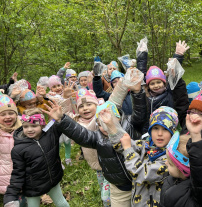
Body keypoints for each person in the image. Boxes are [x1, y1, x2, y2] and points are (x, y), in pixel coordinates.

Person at [43, 79, 147, 207]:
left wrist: (137, 92)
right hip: (119, 187)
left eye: (110, 121)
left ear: (119, 118)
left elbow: (140, 113)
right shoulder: (97, 138)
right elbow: (80, 134)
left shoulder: (129, 125)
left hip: (141, 180)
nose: (106, 126)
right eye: (100, 123)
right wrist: (61, 119)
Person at [101, 106, 178, 207]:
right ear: (150, 130)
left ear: (172, 132)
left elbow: (140, 173)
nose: (159, 134)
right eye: (155, 128)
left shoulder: (169, 159)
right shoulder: (146, 145)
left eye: (165, 129)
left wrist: (128, 149)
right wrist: (111, 126)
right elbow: (122, 144)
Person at [3, 108, 69, 207]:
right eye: (25, 126)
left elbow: (58, 122)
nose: (29, 129)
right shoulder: (18, 149)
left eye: (34, 125)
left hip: (52, 180)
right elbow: (17, 174)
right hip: (32, 188)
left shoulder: (50, 133)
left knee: (62, 203)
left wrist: (62, 116)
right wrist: (11, 196)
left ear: (42, 124)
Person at [159, 109, 202, 207]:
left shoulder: (198, 193)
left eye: (170, 163)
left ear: (183, 169)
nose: (165, 163)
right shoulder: (173, 178)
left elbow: (199, 169)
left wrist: (195, 136)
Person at [136, 40, 190, 132]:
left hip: (166, 130)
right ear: (148, 86)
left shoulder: (169, 93)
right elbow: (141, 76)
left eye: (159, 82)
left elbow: (175, 78)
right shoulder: (146, 95)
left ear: (164, 83)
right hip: (148, 130)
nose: (156, 86)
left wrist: (178, 56)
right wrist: (142, 54)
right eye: (152, 83)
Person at [0, 95, 24, 203]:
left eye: (11, 113)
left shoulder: (24, 130)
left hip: (21, 175)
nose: (7, 117)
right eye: (3, 114)